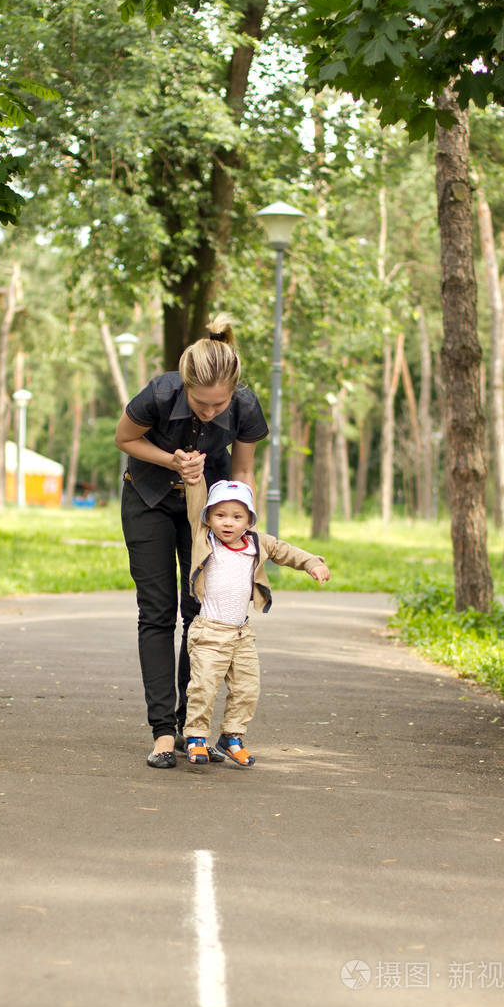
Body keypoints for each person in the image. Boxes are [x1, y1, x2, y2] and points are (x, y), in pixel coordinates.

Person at [114, 315, 268, 769]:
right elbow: (125, 437)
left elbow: (241, 472)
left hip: (208, 510)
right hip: (148, 500)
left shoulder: (244, 405)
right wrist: (171, 460)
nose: (210, 412)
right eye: (201, 404)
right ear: (184, 385)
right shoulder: (159, 393)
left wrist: (244, 523)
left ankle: (190, 727)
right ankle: (163, 731)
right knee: (157, 610)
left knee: (199, 611)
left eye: (218, 405)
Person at [181, 475, 330, 766]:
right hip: (209, 631)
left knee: (247, 688)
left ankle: (231, 738)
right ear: (208, 518)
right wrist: (195, 476)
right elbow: (195, 500)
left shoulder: (257, 543)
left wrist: (313, 563)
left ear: (249, 520)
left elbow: (287, 552)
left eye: (237, 516)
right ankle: (196, 738)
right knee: (203, 686)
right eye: (220, 515)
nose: (228, 523)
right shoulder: (204, 537)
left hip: (241, 634)